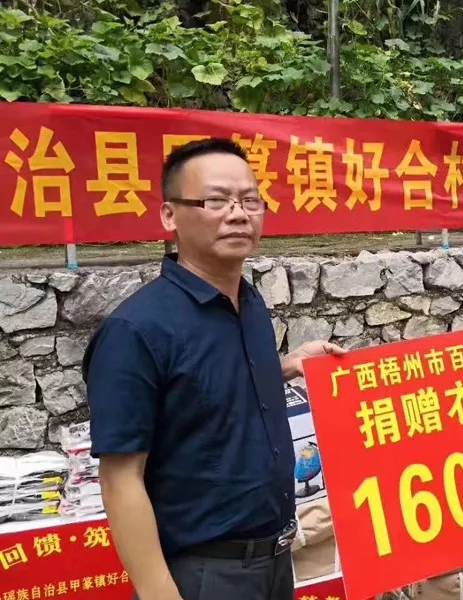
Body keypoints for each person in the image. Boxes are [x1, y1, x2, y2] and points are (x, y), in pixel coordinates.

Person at [82, 138, 345, 600]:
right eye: (216, 201)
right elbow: (120, 478)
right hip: (205, 574)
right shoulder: (137, 330)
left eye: (250, 200)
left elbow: (212, 387)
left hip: (275, 560)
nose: (238, 214)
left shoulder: (249, 302)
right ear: (170, 216)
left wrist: (286, 366)